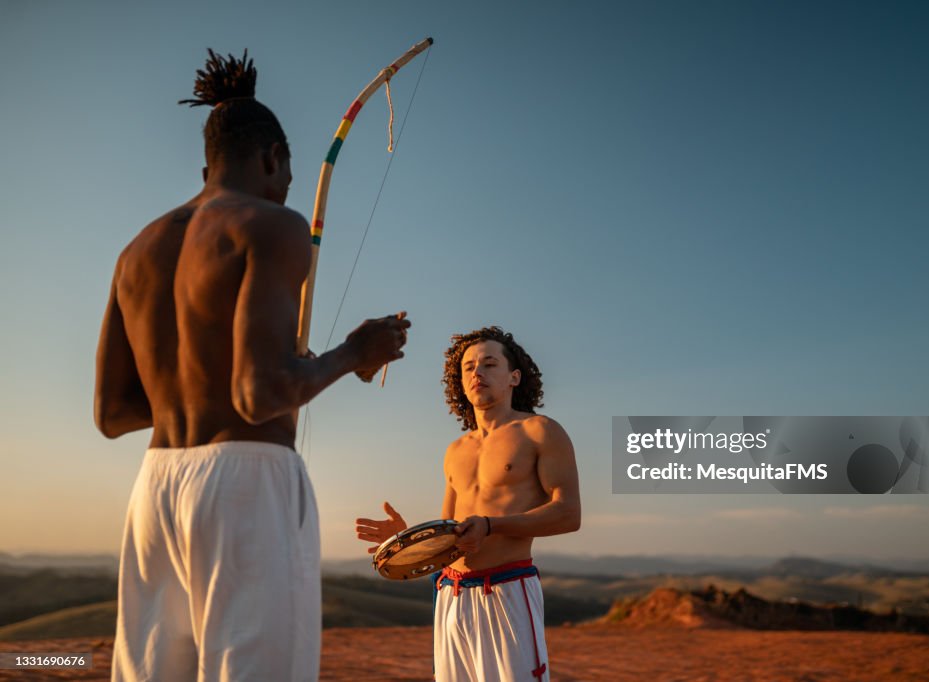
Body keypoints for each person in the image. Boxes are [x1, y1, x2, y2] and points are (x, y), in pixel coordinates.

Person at [94, 49, 411, 682]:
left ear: (206, 165)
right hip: (246, 484)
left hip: (154, 487)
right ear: (272, 159)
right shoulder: (272, 225)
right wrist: (355, 353)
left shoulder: (137, 251)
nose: (287, 188)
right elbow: (259, 394)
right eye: (287, 174)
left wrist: (200, 387)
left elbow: (113, 414)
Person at [355, 327, 580, 682]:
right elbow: (449, 537)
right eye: (469, 367)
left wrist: (492, 525)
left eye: (490, 364)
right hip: (451, 594)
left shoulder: (540, 431)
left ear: (514, 377)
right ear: (460, 382)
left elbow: (568, 514)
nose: (478, 372)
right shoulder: (455, 451)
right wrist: (409, 539)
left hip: (507, 591)